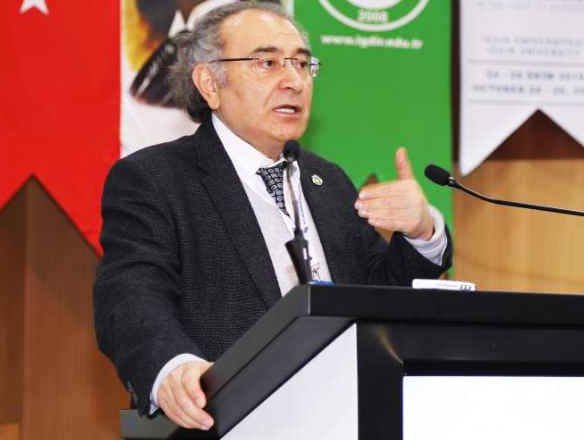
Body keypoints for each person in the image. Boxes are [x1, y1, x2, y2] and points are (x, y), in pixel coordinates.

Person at [93, 2, 452, 431]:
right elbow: (130, 296)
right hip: (224, 421)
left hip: (344, 417)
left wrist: (422, 232)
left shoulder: (328, 180)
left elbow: (381, 297)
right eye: (267, 63)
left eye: (301, 64)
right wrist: (173, 367)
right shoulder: (155, 179)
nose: (293, 81)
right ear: (209, 83)